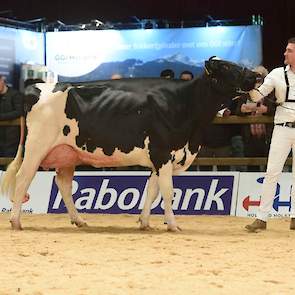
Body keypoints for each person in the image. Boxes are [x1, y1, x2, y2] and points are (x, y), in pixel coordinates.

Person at [246, 37, 295, 232]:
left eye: (289, 50)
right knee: (272, 172)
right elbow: (258, 95)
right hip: (282, 128)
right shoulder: (276, 74)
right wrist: (250, 85)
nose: (285, 53)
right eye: (286, 50)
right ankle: (261, 218)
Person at [235, 66, 276, 171]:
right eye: (255, 77)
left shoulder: (272, 93)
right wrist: (245, 109)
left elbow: (277, 109)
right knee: (252, 167)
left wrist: (266, 110)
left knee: (270, 167)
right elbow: (238, 110)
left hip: (267, 136)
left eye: (260, 77)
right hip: (250, 137)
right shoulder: (246, 94)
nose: (257, 80)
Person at [0, 75, 24, 160]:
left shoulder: (15, 95)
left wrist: (2, 117)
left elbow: (19, 112)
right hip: (2, 137)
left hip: (12, 138)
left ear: (2, 80)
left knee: (10, 164)